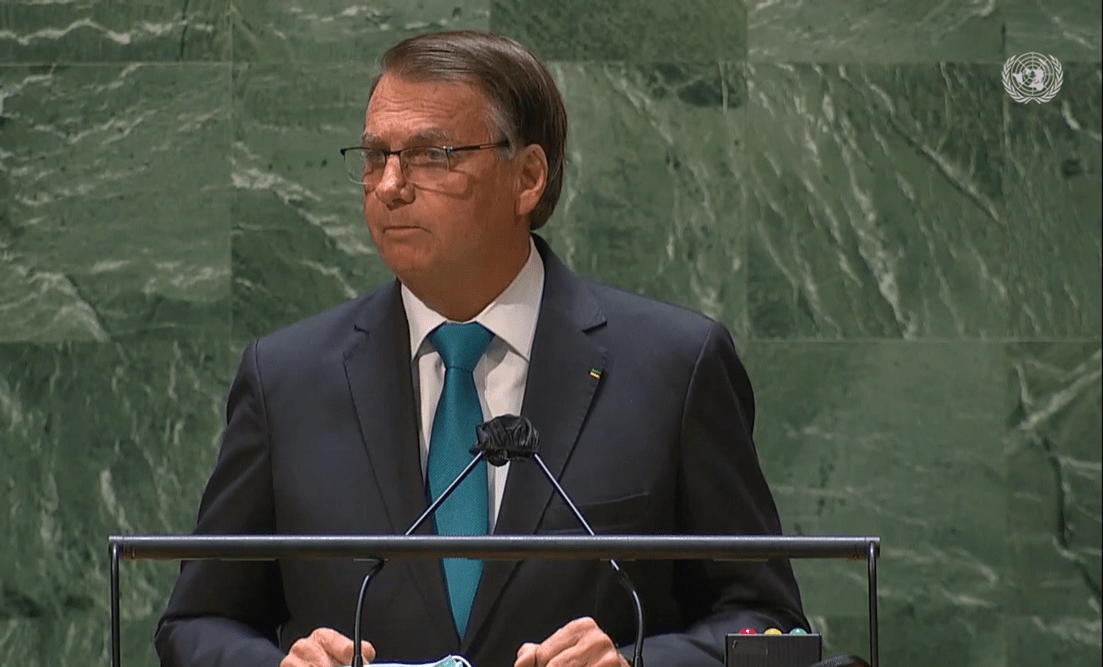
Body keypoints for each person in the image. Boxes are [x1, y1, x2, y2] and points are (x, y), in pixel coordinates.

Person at [156, 30, 807, 667]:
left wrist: (634, 663)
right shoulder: (286, 381)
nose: (389, 185)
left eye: (430, 155)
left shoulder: (674, 367)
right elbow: (197, 622)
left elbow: (766, 620)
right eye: (375, 155)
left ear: (527, 176)